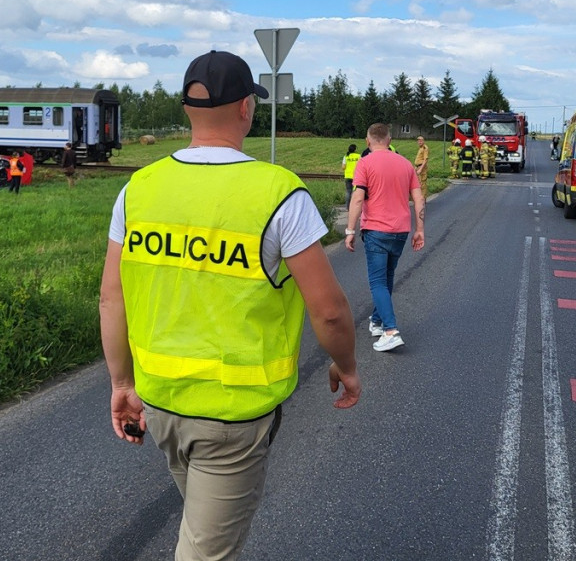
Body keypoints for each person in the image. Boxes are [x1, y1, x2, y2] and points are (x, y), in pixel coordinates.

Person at [99, 50, 360, 560]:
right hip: (233, 419)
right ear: (246, 108)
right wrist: (347, 366)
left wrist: (122, 384)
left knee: (203, 535)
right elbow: (328, 310)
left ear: (186, 110)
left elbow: (113, 296)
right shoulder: (279, 193)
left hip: (161, 407)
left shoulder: (139, 190)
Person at [345, 123, 426, 352]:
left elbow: (358, 199)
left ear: (367, 140)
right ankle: (377, 321)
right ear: (389, 140)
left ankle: (390, 330)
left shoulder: (365, 163)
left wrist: (350, 231)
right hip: (400, 231)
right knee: (387, 277)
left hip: (376, 231)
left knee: (378, 281)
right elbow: (419, 199)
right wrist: (420, 229)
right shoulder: (405, 164)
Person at [341, 143, 360, 209]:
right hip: (356, 177)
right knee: (355, 192)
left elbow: (343, 167)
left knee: (348, 191)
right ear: (355, 149)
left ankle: (347, 207)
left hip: (348, 176)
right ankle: (354, 207)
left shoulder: (346, 156)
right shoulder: (358, 156)